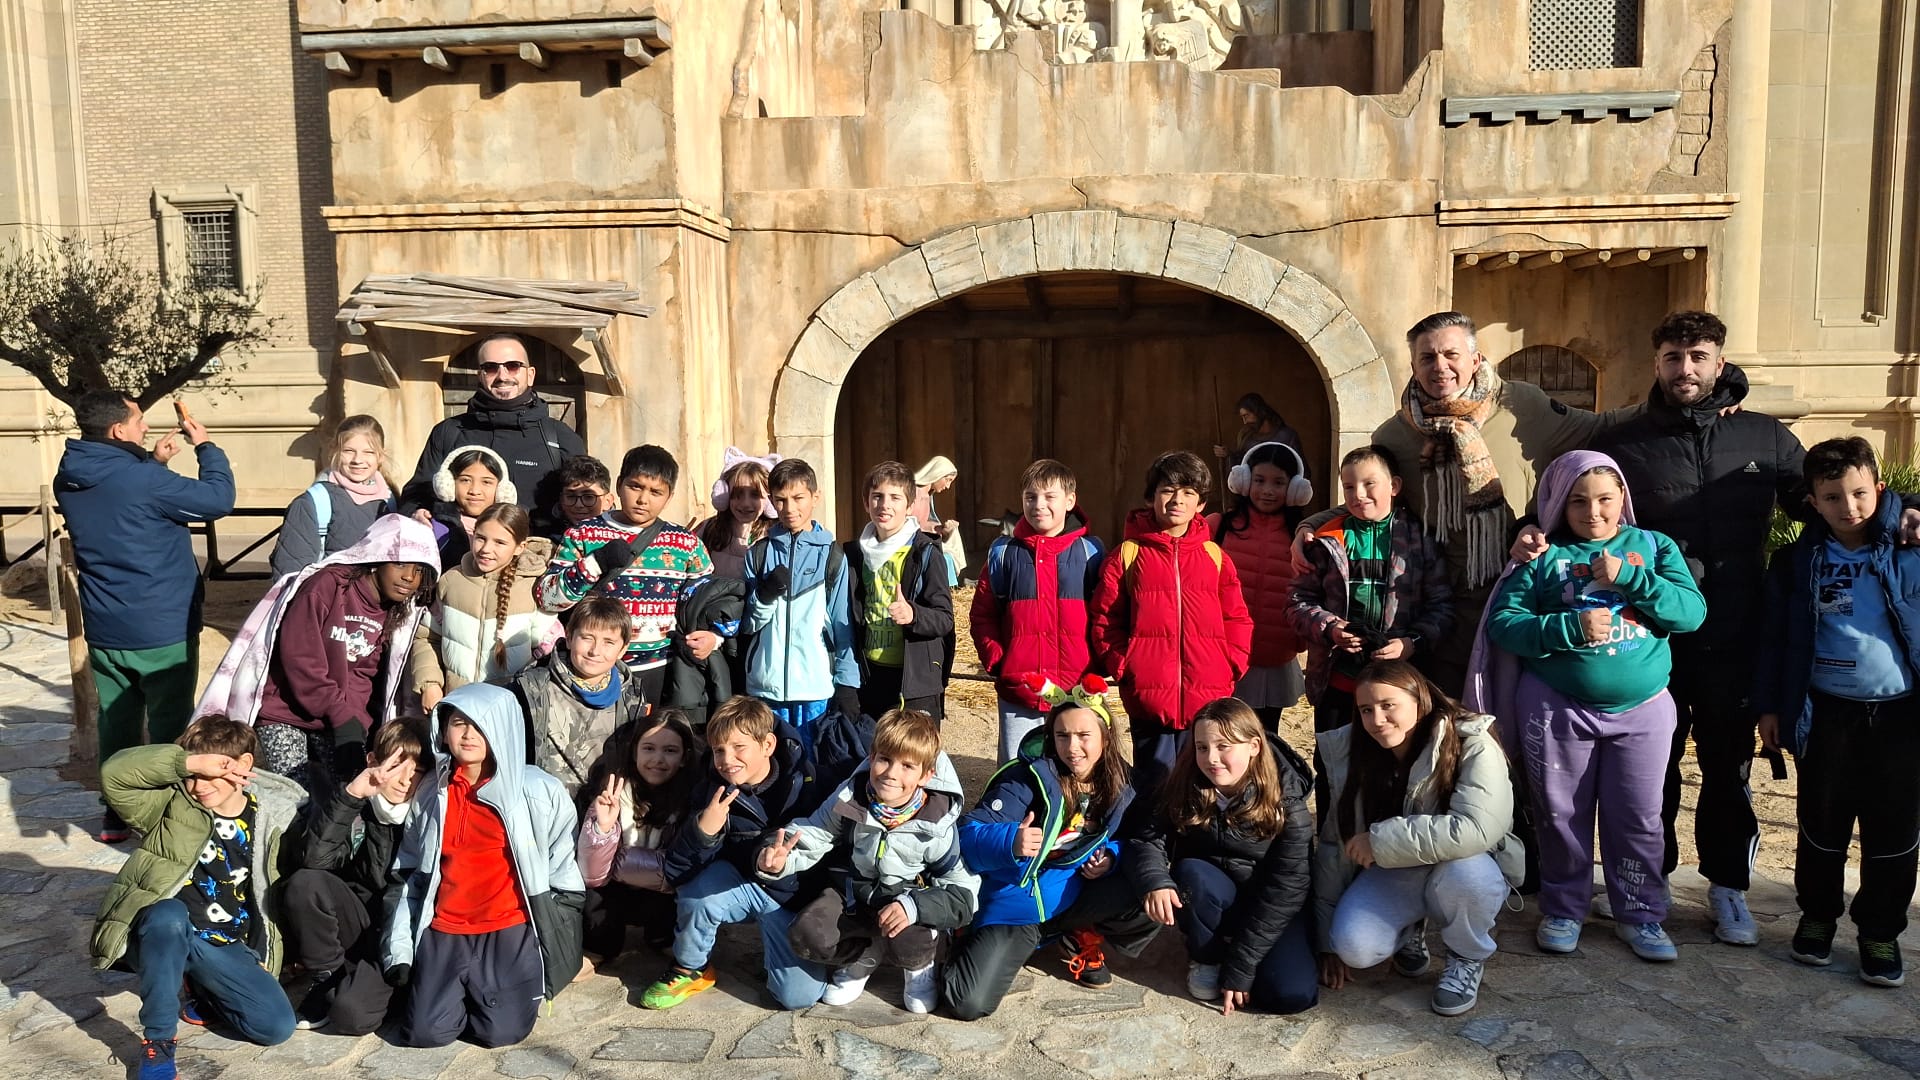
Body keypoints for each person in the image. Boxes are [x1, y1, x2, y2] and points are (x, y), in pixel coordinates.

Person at [1575, 311, 1809, 945]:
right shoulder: (1625, 444)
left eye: (1698, 356)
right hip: (1652, 637)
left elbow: (1828, 500)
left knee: (1730, 767)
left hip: (1737, 633)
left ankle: (1728, 887)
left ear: (1719, 361)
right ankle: (1647, 881)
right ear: (1656, 362)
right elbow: (1579, 509)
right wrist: (1527, 534)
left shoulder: (1766, 438)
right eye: (1674, 357)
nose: (1686, 369)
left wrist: (1901, 513)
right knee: (1653, 769)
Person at [1296, 312, 1634, 695]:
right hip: (1443, 609)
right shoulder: (1394, 435)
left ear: (1475, 360)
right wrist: (1310, 525)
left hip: (1522, 593)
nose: (1440, 367)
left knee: (1517, 716)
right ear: (1414, 365)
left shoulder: (1523, 406)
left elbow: (1602, 428)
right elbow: (1371, 498)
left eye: (1451, 355)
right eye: (1427, 358)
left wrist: (1697, 408)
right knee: (1450, 719)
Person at [1480, 450, 1705, 963]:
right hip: (1558, 709)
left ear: (1623, 497)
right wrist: (1566, 629)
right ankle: (1563, 908)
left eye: (1605, 498)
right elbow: (1503, 623)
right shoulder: (1541, 554)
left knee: (1640, 817)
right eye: (1578, 501)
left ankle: (1641, 914)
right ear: (1558, 502)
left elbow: (1691, 613)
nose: (1593, 512)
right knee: (1561, 814)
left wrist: (1632, 579)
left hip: (1643, 710)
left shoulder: (1653, 547)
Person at [1756, 437, 1920, 987]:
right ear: (1813, 500)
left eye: (1858, 492)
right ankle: (1818, 917)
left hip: (1899, 715)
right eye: (1832, 497)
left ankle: (1880, 930)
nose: (1848, 507)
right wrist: (1772, 707)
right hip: (1825, 712)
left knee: (1893, 829)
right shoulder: (1798, 560)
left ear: (1878, 487)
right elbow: (1774, 640)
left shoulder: (1910, 545)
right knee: (1822, 823)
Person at [54, 390, 234, 843]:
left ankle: (116, 812)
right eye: (139, 421)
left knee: (117, 719)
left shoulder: (69, 475)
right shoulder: (140, 480)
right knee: (171, 723)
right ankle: (168, 812)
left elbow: (124, 506)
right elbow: (217, 499)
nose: (146, 427)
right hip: (161, 625)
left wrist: (152, 464)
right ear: (117, 430)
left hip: (105, 624)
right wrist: (207, 448)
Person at [90, 716, 302, 1080]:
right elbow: (114, 774)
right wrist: (189, 763)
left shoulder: (271, 816)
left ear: (243, 766)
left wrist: (269, 951)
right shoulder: (169, 806)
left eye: (210, 775)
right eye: (192, 775)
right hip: (163, 932)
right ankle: (159, 1041)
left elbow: (272, 892)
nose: (198, 786)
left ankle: (202, 987)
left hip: (224, 944)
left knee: (275, 1026)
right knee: (168, 916)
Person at [1314, 661, 1524, 1017]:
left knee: (1469, 878)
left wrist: (1379, 842)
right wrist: (1325, 941)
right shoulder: (1353, 752)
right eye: (1366, 709)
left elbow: (1475, 829)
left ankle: (1466, 956)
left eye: (1388, 705)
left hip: (1467, 861)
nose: (1377, 719)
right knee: (1354, 946)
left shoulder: (1472, 743)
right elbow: (1336, 846)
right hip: (1400, 867)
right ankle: (1413, 926)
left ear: (1419, 700)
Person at [382, 683, 586, 1049]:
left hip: (509, 927)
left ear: (503, 729)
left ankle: (500, 992)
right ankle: (450, 989)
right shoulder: (431, 791)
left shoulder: (539, 791)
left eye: (481, 724)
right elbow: (409, 873)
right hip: (445, 927)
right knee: (424, 1034)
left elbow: (563, 873)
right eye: (458, 723)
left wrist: (556, 949)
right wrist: (400, 948)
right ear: (444, 730)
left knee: (499, 1033)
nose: (468, 733)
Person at [943, 681, 1158, 1019]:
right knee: (968, 1002)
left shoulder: (1123, 783)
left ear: (1105, 736)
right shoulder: (1026, 779)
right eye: (1062, 735)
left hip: (1075, 893)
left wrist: (1112, 857)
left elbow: (1134, 839)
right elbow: (965, 837)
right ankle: (961, 937)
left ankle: (1076, 932)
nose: (1073, 747)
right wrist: (1009, 840)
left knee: (1153, 886)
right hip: (1019, 910)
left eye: (1084, 735)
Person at [195, 514, 439, 799]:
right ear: (377, 557)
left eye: (419, 570)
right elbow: (300, 659)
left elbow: (364, 675)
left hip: (338, 718)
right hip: (286, 712)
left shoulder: (397, 611)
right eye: (399, 563)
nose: (409, 577)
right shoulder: (326, 586)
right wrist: (342, 717)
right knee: (296, 796)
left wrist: (355, 725)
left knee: (345, 795)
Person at [759, 708, 979, 1014]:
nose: (891, 773)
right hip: (856, 896)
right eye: (884, 759)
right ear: (872, 756)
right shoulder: (851, 797)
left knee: (909, 940)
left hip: (906, 903)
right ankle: (864, 954)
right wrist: (781, 856)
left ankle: (919, 964)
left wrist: (916, 907)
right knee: (808, 934)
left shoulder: (937, 823)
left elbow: (962, 892)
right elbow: (815, 831)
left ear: (926, 775)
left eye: (907, 766)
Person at [1127, 697, 1317, 1015]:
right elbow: (1146, 838)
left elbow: (1289, 887)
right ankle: (1206, 956)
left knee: (1290, 995)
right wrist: (1155, 880)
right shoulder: (1182, 784)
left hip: (1271, 906)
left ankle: (1242, 952)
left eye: (1223, 746)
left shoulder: (1287, 801)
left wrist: (1241, 966)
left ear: (1254, 746)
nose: (1211, 758)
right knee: (1192, 874)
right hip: (1212, 893)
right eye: (1202, 747)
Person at [643, 696, 832, 1011]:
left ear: (768, 745)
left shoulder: (808, 783)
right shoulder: (710, 789)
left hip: (790, 899)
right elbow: (677, 872)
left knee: (797, 997)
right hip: (737, 886)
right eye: (719, 750)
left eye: (739, 747)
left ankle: (796, 955)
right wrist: (703, 832)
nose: (727, 759)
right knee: (699, 893)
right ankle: (691, 969)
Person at [1089, 449, 1253, 790]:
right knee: (1154, 788)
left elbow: (1237, 618)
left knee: (1204, 786)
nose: (1177, 499)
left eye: (1188, 492)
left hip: (1207, 699)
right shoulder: (1128, 554)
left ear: (1200, 504)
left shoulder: (1214, 556)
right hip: (1149, 701)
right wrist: (1125, 665)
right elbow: (1106, 619)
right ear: (1151, 497)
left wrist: (1231, 665)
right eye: (1167, 490)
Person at [280, 718, 433, 1034]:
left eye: (416, 772)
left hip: (401, 937)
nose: (405, 781)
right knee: (305, 883)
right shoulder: (353, 805)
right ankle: (326, 976)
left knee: (351, 1016)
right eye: (396, 767)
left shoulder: (431, 816)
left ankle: (388, 989)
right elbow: (313, 859)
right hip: (357, 928)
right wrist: (352, 796)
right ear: (373, 762)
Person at [1289, 446, 1453, 733]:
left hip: (1398, 683)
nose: (1358, 495)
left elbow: (1442, 606)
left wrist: (1411, 642)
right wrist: (1330, 628)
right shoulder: (1329, 539)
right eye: (1349, 487)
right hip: (1339, 680)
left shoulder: (1421, 541)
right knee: (1334, 765)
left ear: (1394, 486)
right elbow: (1297, 602)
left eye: (1369, 484)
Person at [537, 444, 714, 709]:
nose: (643, 499)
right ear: (619, 485)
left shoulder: (685, 543)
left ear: (670, 496)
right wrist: (596, 563)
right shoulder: (583, 535)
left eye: (656, 492)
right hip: (594, 668)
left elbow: (710, 601)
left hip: (660, 670)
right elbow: (548, 599)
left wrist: (712, 635)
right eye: (635, 487)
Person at [971, 458, 1105, 761]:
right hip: (1021, 690)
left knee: (1075, 767)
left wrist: (1099, 664)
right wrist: (999, 661)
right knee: (1019, 770)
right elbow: (983, 615)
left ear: (1070, 500)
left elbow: (1107, 615)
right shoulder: (1003, 553)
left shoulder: (1091, 553)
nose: (1038, 505)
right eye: (1030, 497)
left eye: (1049, 497)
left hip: (1076, 689)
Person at [398, 332, 586, 535]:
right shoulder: (449, 432)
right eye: (491, 368)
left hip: (543, 558)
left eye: (513, 366)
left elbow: (586, 497)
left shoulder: (559, 438)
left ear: (530, 375)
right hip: (463, 555)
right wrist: (419, 513)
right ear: (480, 375)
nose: (503, 376)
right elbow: (416, 494)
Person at [742, 458, 862, 737]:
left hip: (816, 688)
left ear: (815, 497)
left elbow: (843, 627)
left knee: (812, 772)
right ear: (771, 500)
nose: (789, 508)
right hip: (765, 688)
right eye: (781, 500)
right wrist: (765, 594)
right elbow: (748, 625)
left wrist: (847, 684)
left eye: (798, 498)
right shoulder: (758, 554)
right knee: (770, 770)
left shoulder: (832, 556)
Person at [575, 708, 698, 969]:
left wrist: (619, 859)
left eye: (670, 751)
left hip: (663, 891)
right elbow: (592, 872)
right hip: (617, 888)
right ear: (635, 752)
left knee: (687, 890)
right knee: (596, 891)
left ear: (685, 757)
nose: (658, 759)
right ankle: (600, 946)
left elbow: (680, 867)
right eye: (649, 748)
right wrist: (603, 830)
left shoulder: (693, 798)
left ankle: (662, 937)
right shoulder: (611, 792)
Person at [411, 502, 558, 712]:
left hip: (509, 710)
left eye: (499, 542)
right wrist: (430, 683)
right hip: (457, 706)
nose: (486, 549)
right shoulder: (451, 581)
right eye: (480, 538)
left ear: (520, 547)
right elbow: (427, 637)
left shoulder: (534, 589)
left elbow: (546, 651)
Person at [1209, 442, 1312, 730]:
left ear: (1295, 489)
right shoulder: (1218, 527)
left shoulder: (1302, 537)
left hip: (1275, 659)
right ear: (1243, 481)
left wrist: (1300, 637)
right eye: (1259, 480)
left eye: (1279, 483)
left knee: (1268, 739)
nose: (1268, 490)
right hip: (1224, 656)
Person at [506, 597, 651, 797]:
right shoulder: (533, 687)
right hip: (546, 807)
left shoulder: (632, 695)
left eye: (608, 642)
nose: (595, 651)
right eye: (587, 637)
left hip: (606, 811)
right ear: (569, 636)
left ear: (623, 648)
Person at [848, 461, 955, 722]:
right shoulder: (853, 555)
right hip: (870, 675)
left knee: (914, 758)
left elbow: (944, 618)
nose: (885, 505)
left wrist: (913, 615)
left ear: (909, 507)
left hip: (914, 679)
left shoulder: (924, 553)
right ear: (866, 503)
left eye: (895, 497)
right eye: (877, 497)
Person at [269, 414, 397, 580]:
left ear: (380, 456)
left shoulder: (390, 500)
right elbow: (291, 572)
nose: (358, 460)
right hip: (329, 603)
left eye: (368, 452)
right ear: (334, 450)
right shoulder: (313, 503)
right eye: (348, 451)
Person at [425, 444, 514, 571]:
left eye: (486, 482)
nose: (475, 490)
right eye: (465, 480)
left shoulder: (511, 529)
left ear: (502, 488)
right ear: (448, 483)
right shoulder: (435, 528)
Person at [699, 447, 779, 580]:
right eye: (737, 495)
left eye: (755, 495)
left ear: (770, 499)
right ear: (724, 494)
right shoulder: (709, 529)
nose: (745, 503)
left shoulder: (778, 534)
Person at [1213, 391, 1303, 477]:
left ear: (1258, 412)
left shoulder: (1287, 436)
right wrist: (1228, 455)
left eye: (1246, 416)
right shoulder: (1247, 440)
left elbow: (1301, 471)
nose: (1245, 422)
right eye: (1242, 417)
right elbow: (1241, 469)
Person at [907, 455, 963, 584]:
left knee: (950, 550)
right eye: (948, 480)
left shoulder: (927, 495)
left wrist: (941, 528)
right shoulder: (915, 493)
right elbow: (911, 523)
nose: (948, 486)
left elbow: (923, 523)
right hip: (912, 543)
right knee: (945, 558)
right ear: (938, 474)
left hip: (921, 540)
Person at [547, 454, 614, 541]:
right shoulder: (550, 541)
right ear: (561, 500)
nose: (579, 505)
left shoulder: (624, 536)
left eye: (589, 497)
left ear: (608, 501)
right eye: (571, 496)